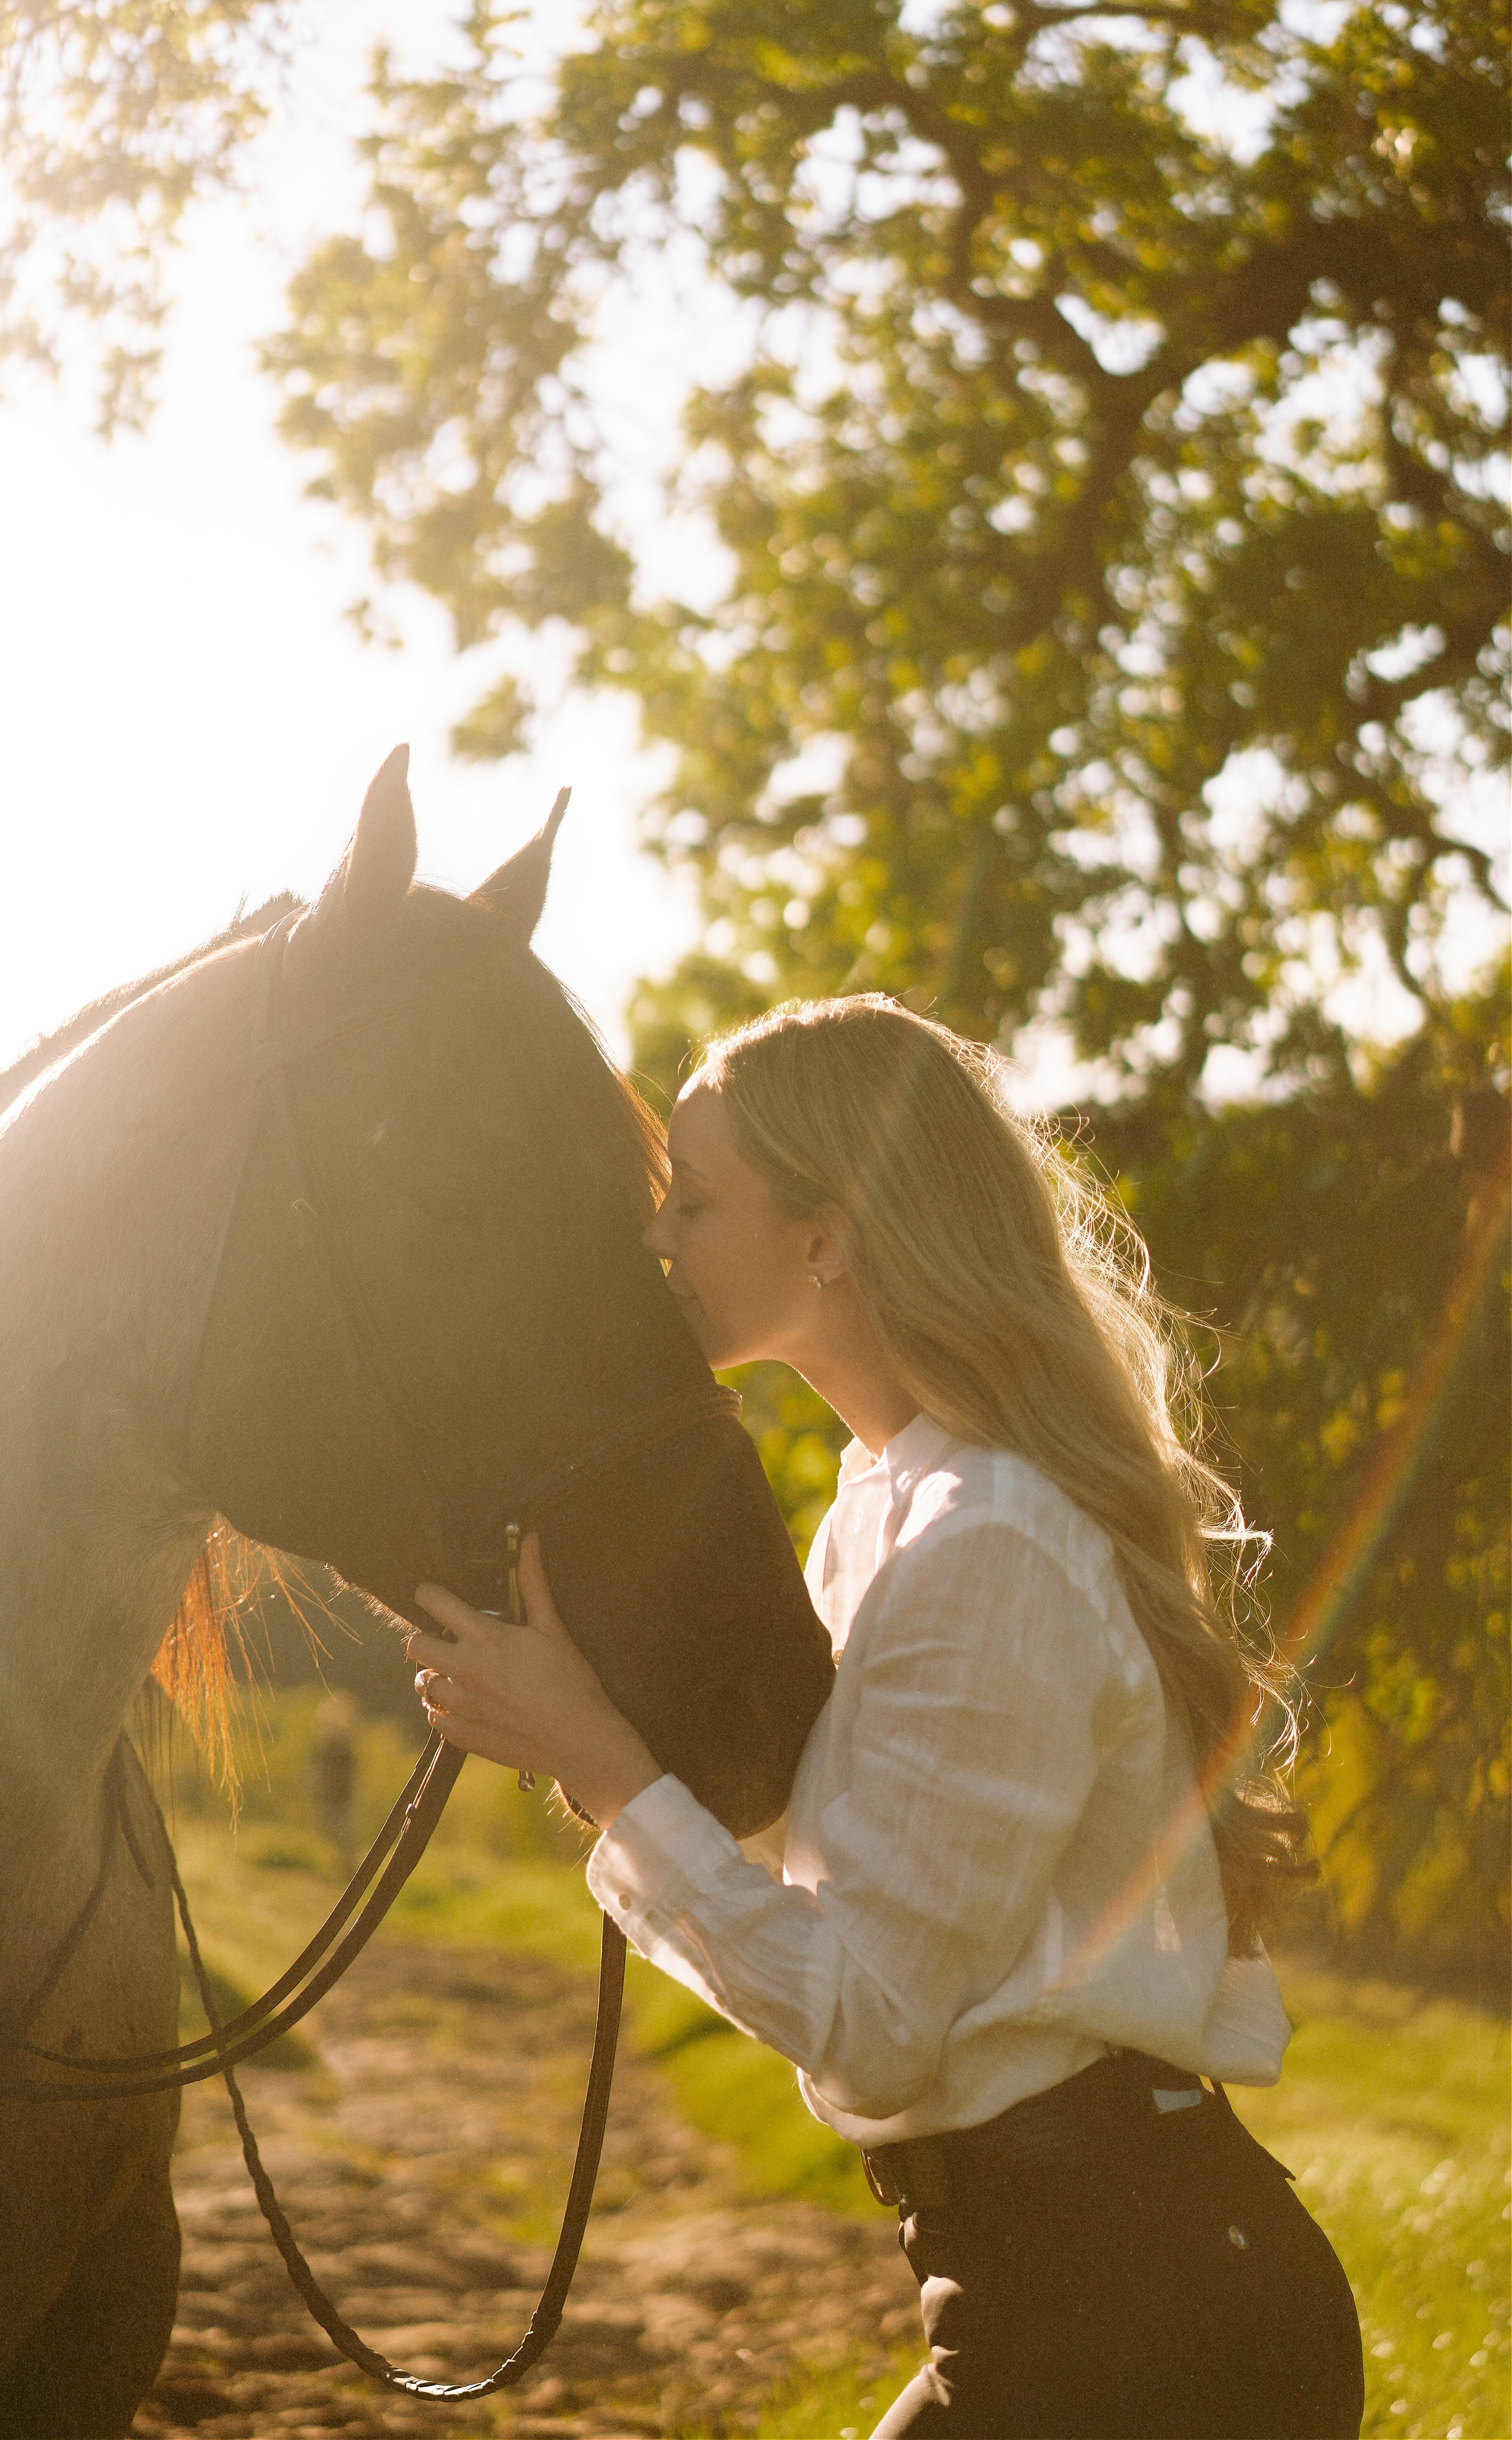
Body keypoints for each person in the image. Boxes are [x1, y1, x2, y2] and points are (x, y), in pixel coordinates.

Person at [406, 995, 1364, 2439]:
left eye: (697, 1200)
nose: (657, 1242)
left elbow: (869, 2021)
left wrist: (595, 1764)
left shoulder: (983, 1538)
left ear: (829, 1235)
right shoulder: (883, 1512)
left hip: (1143, 2326)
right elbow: (838, 1876)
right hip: (1057, 2289)